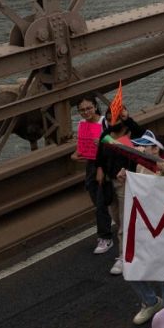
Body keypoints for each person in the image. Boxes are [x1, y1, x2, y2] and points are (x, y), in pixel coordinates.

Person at [73, 97, 117, 255]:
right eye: (82, 110)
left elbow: (117, 141)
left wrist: (104, 143)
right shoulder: (82, 125)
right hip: (91, 165)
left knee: (100, 202)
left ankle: (105, 237)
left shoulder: (105, 122)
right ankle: (114, 222)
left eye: (89, 108)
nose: (86, 112)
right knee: (99, 199)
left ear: (95, 106)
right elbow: (81, 146)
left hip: (104, 165)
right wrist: (76, 154)